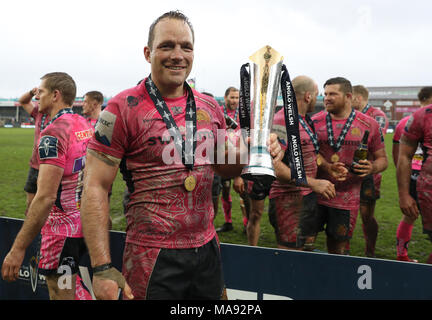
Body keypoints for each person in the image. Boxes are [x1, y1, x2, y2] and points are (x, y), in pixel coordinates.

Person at [79, 11, 283, 300]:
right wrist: (101, 267)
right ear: (148, 52)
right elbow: (95, 187)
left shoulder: (210, 106)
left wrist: (254, 150)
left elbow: (225, 167)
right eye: (167, 46)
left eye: (186, 47)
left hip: (207, 249)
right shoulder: (122, 108)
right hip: (151, 255)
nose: (178, 55)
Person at [1, 72, 93, 300]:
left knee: (60, 292)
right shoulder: (84, 124)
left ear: (55, 95)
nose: (37, 96)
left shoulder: (52, 133)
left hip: (60, 229)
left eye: (40, 92)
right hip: (82, 222)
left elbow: (45, 197)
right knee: (70, 287)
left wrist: (18, 248)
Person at [311, 77, 387, 254]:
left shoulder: (369, 124)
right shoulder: (314, 122)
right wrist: (326, 166)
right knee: (305, 242)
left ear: (348, 96)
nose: (327, 98)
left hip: (347, 199)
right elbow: (309, 153)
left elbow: (383, 159)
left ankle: (335, 280)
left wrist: (372, 168)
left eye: (333, 94)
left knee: (337, 247)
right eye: (325, 94)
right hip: (315, 192)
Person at [269, 75, 336, 250]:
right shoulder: (282, 119)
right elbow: (274, 166)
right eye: (317, 94)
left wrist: (328, 167)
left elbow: (310, 152)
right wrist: (313, 183)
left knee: (303, 250)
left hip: (304, 196)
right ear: (308, 96)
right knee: (289, 255)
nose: (318, 98)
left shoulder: (304, 119)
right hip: (287, 199)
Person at [394, 86, 432, 263]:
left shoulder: (404, 121)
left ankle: (401, 255)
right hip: (423, 177)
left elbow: (398, 154)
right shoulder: (419, 118)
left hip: (412, 174)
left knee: (409, 216)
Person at [351, 85, 389, 257]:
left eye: (350, 97)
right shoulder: (349, 115)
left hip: (370, 173)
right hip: (349, 171)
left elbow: (374, 142)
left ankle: (370, 251)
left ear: (357, 98)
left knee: (366, 215)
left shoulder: (377, 116)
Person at [215, 86, 250, 233]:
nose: (235, 100)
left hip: (239, 158)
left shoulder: (243, 114)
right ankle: (228, 222)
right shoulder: (218, 113)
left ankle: (246, 224)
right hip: (222, 158)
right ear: (225, 98)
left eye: (237, 98)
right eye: (232, 97)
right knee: (224, 191)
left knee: (243, 192)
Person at [17, 88, 51, 215]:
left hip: (52, 168)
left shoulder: (63, 118)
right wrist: (32, 92)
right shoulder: (38, 112)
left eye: (40, 95)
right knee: (30, 206)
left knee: (49, 206)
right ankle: (34, 231)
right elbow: (23, 101)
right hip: (35, 166)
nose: (37, 99)